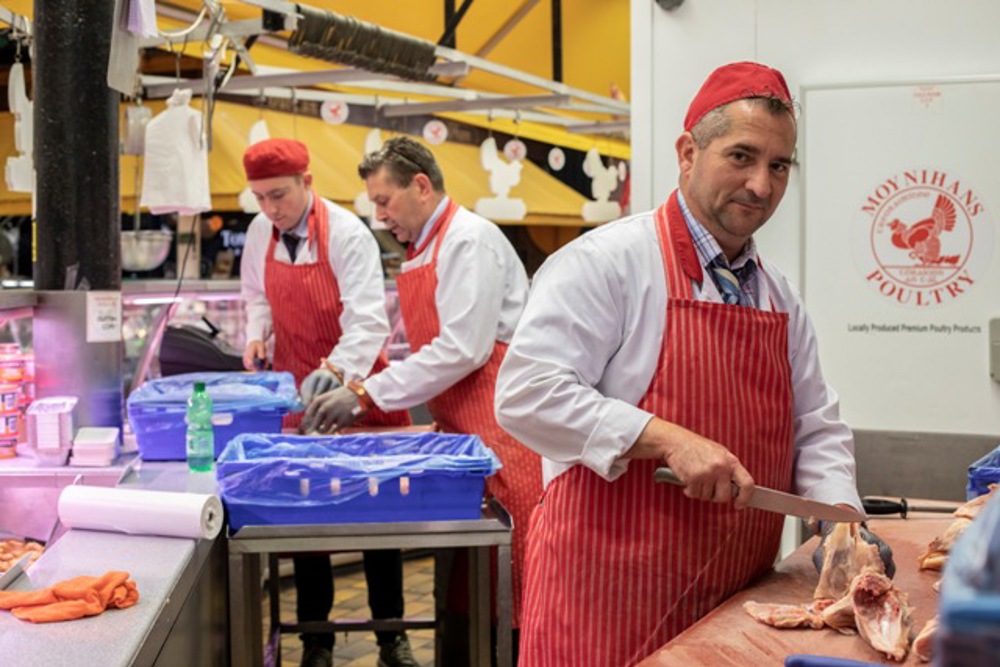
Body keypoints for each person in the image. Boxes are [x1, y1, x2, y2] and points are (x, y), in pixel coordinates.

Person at [494, 62, 892, 666]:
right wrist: (665, 438)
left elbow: (816, 424)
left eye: (779, 166)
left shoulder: (778, 296)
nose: (761, 184)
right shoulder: (606, 264)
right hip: (605, 605)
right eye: (742, 156)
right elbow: (527, 394)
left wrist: (840, 523)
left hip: (732, 603)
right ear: (688, 152)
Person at [301, 136, 544, 662]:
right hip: (465, 435)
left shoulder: (467, 241)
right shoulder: (424, 251)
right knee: (470, 586)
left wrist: (365, 395)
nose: (379, 215)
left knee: (518, 587)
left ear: (421, 186)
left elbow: (463, 349)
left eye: (384, 201)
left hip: (508, 436)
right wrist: (347, 376)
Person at [239, 138, 416, 667]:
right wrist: (255, 334)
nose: (271, 208)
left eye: (280, 194)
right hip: (297, 389)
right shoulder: (258, 233)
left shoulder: (346, 232)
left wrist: (336, 372)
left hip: (360, 389)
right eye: (261, 198)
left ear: (307, 183)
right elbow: (255, 296)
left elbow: (368, 320)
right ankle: (316, 640)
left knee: (379, 515)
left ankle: (391, 638)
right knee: (307, 519)